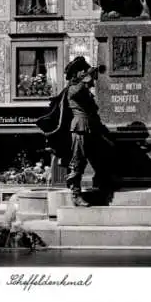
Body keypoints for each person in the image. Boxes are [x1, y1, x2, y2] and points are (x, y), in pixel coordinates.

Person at [64, 56, 115, 207]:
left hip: (91, 128)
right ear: (76, 74)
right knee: (78, 162)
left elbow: (93, 109)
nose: (85, 73)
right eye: (81, 70)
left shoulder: (85, 91)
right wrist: (87, 75)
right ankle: (75, 194)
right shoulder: (72, 89)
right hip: (80, 127)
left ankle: (102, 185)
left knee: (102, 155)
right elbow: (80, 88)